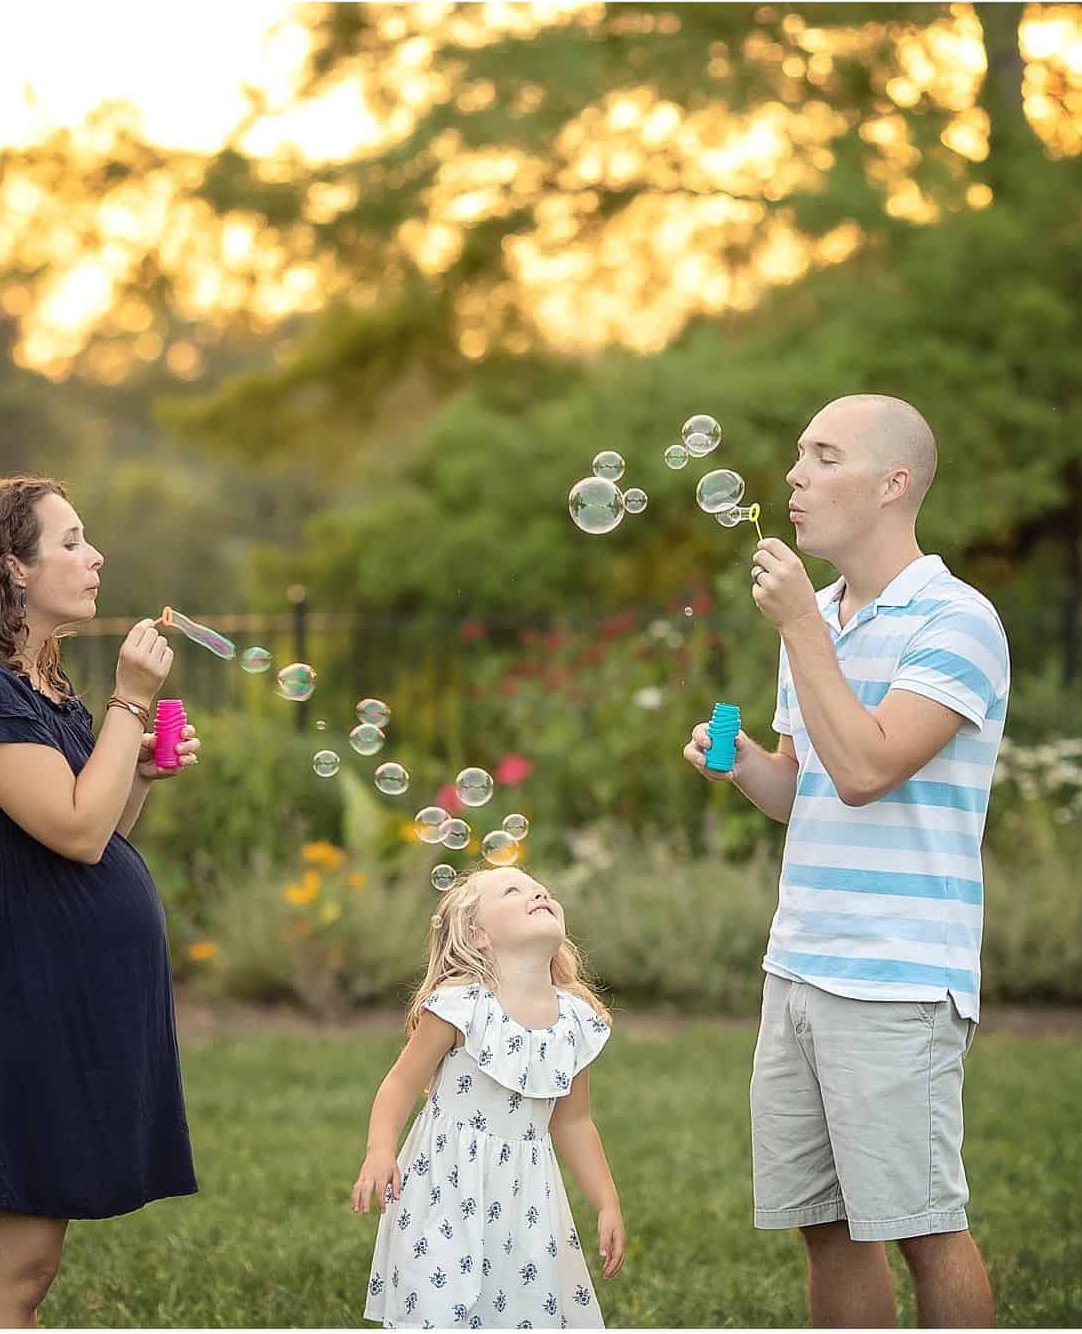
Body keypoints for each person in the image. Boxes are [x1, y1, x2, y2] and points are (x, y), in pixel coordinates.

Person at [683, 395, 1007, 1327]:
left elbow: (867, 767)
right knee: (826, 1224)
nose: (794, 477)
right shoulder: (820, 617)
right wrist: (747, 766)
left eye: (824, 457)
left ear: (892, 483)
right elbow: (809, 791)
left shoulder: (958, 620)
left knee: (921, 1224)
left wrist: (799, 633)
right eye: (797, 456)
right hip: (801, 963)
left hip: (897, 973)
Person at [0, 475, 201, 1328]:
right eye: (69, 541)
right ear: (11, 567)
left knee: (33, 1258)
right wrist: (131, 700)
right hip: (14, 992)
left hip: (58, 993)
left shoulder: (47, 692)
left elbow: (104, 831)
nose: (94, 554)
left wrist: (131, 765)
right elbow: (74, 832)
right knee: (15, 1264)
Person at [350, 867, 626, 1328]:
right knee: (438, 1304)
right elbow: (399, 1084)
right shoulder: (461, 1006)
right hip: (444, 1187)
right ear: (477, 935)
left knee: (516, 1306)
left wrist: (606, 1202)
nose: (539, 891)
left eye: (542, 889)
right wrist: (379, 1152)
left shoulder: (574, 1020)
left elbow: (573, 1123)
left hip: (526, 1198)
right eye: (513, 890)